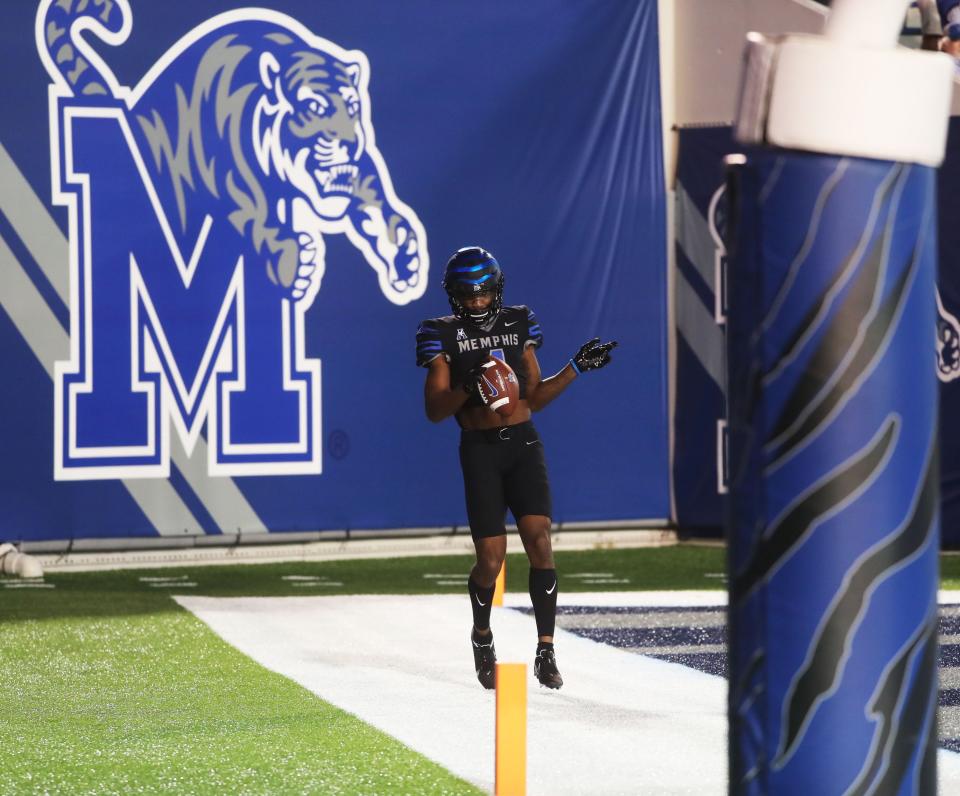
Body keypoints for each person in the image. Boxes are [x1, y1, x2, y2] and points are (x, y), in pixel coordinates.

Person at [415, 246, 617, 690]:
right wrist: (471, 389)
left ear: (497, 290)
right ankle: (482, 635)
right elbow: (434, 409)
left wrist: (576, 368)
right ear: (453, 295)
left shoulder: (518, 322)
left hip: (523, 444)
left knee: (539, 538)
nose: (477, 302)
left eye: (484, 293)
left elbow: (536, 398)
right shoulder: (439, 333)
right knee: (491, 558)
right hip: (480, 448)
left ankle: (546, 649)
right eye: (468, 295)